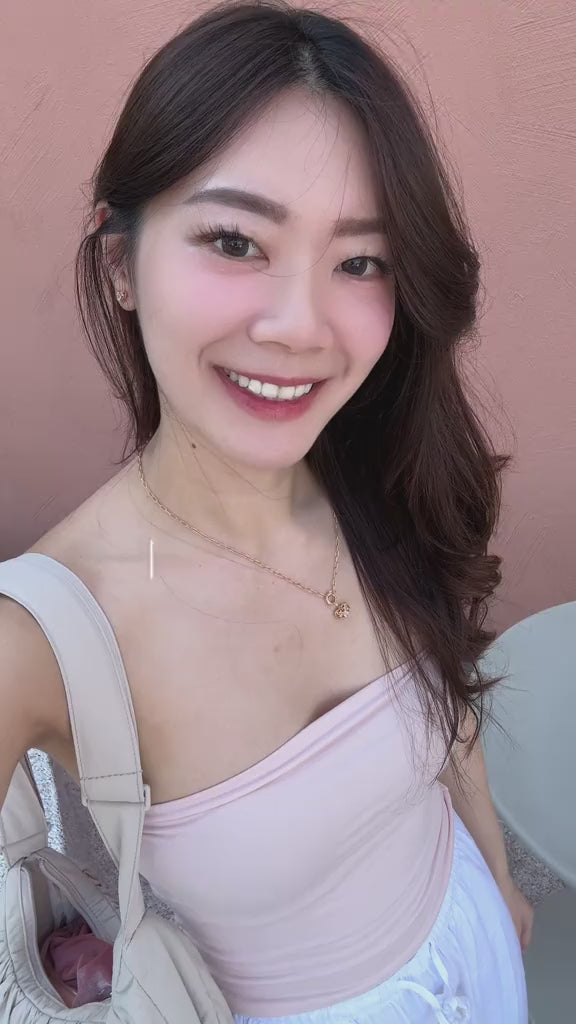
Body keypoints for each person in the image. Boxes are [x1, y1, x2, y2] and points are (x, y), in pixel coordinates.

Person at [0, 2, 532, 1020]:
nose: (300, 326)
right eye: (235, 240)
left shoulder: (382, 477)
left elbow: (449, 709)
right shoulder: (40, 634)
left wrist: (499, 883)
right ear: (119, 263)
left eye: (361, 261)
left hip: (469, 937)